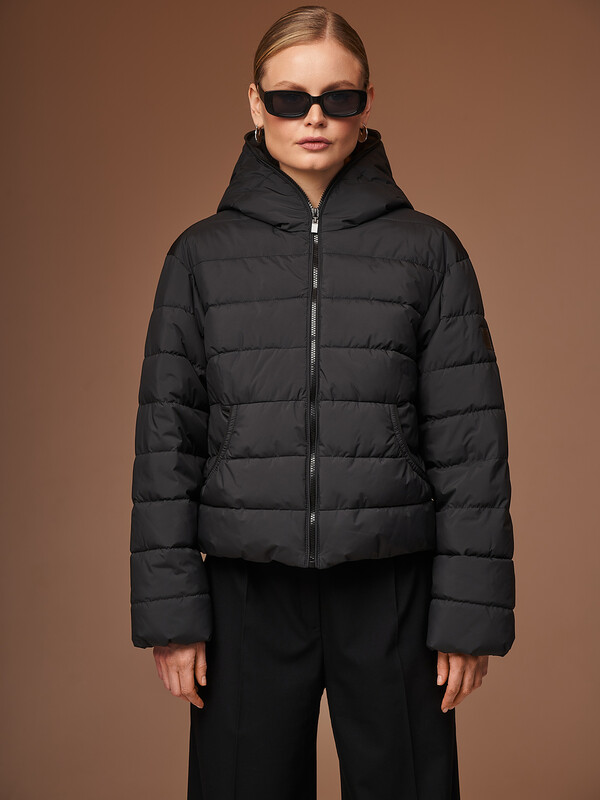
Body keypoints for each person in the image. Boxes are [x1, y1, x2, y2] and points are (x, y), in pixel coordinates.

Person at [129, 5, 516, 799]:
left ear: (367, 102)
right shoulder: (200, 257)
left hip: (394, 586)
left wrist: (467, 615)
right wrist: (173, 615)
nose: (313, 117)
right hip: (245, 591)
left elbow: (470, 446)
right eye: (289, 98)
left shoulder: (430, 253)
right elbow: (167, 442)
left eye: (337, 98)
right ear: (255, 102)